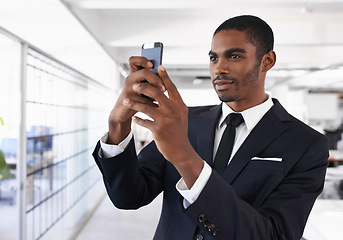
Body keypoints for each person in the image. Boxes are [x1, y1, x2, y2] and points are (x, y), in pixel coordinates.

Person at [93, 15, 329, 240]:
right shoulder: (185, 121)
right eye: (214, 58)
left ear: (267, 61)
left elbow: (273, 235)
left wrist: (185, 157)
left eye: (234, 56)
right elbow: (128, 196)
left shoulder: (307, 144)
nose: (219, 68)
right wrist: (118, 125)